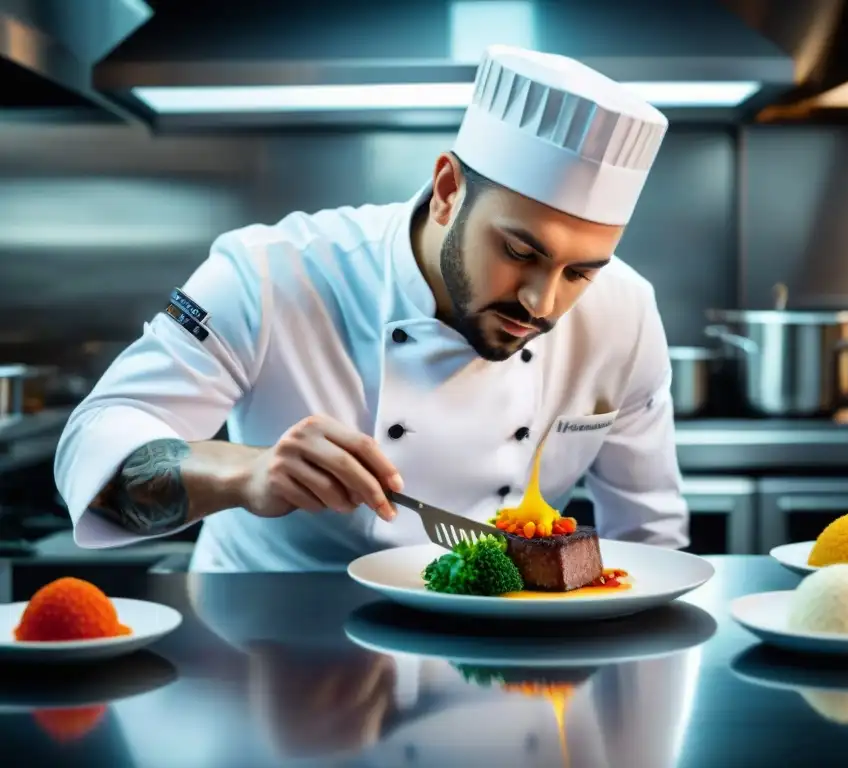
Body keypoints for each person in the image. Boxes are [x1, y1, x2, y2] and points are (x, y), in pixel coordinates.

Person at [53, 45, 689, 571]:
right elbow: (97, 442)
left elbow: (653, 544)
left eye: (579, 272)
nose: (541, 302)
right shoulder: (271, 272)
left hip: (504, 653)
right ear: (447, 191)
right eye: (520, 251)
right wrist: (245, 474)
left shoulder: (625, 314)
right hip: (271, 642)